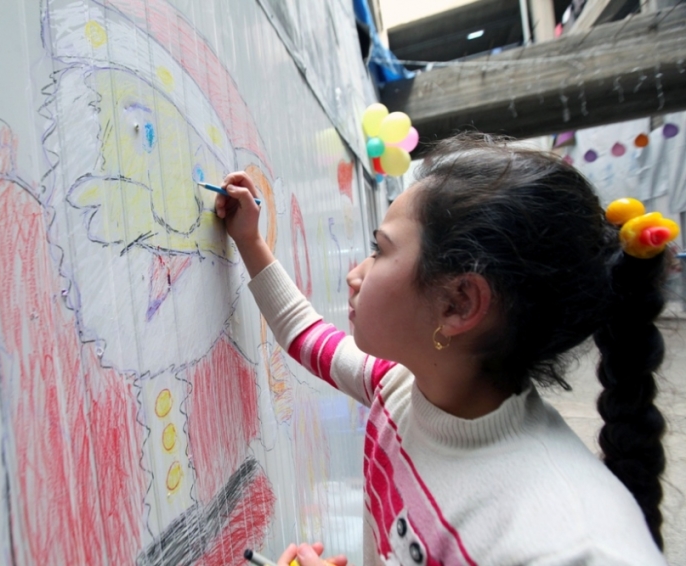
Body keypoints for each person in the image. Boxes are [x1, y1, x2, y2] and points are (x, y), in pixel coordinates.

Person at [216, 133, 672, 566]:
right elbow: (305, 335)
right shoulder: (402, 388)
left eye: (380, 250)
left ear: (459, 303)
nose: (356, 274)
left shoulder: (567, 547)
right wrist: (249, 239)